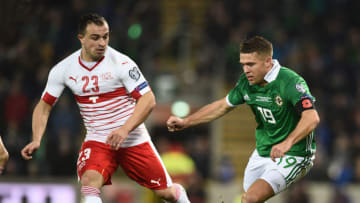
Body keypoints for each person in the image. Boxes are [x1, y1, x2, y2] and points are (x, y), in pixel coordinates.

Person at [21, 13, 190, 203]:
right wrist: (36, 139)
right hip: (98, 138)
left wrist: (124, 129)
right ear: (81, 39)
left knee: (165, 193)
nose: (102, 43)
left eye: (105, 36)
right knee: (89, 183)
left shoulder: (122, 63)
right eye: (95, 38)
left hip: (132, 137)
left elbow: (148, 99)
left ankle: (179, 194)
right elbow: (44, 106)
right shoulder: (64, 69)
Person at [167, 36, 320, 203]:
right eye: (243, 64)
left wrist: (287, 142)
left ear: (268, 62)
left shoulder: (290, 82)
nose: (246, 70)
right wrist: (186, 121)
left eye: (251, 64)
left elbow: (312, 117)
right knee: (246, 199)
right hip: (263, 152)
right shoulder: (246, 83)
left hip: (294, 153)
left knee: (250, 198)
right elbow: (222, 106)